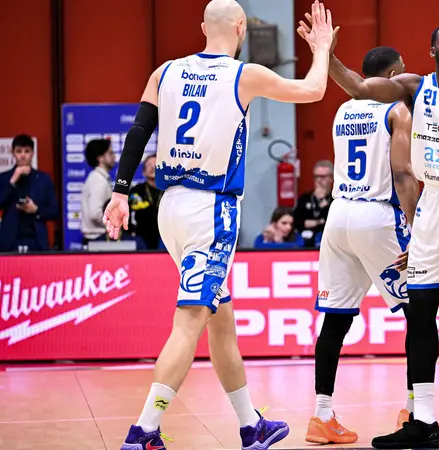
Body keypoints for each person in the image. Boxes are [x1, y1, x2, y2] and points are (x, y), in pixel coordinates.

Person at [102, 1, 336, 448]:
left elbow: (139, 132)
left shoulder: (165, 72)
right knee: (190, 321)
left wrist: (120, 192)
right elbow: (313, 90)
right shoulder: (242, 74)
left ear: (203, 27)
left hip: (170, 209)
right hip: (210, 212)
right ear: (241, 27)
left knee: (220, 319)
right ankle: (144, 430)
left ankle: (251, 425)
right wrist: (321, 47)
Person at [298, 18, 439, 448]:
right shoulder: (414, 89)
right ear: (432, 50)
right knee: (419, 312)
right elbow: (359, 87)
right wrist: (325, 52)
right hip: (430, 203)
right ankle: (422, 420)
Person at [298, 45, 439, 445]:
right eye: (402, 71)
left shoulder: (343, 110)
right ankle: (416, 412)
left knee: (335, 320)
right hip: (377, 216)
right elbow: (402, 174)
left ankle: (321, 416)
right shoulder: (397, 111)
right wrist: (419, 229)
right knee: (419, 314)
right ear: (392, 75)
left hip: (338, 217)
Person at [0, 134, 58, 253]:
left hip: (37, 241)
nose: (22, 155)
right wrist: (13, 180)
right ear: (13, 153)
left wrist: (36, 210)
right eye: (19, 151)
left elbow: (54, 211)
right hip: (10, 241)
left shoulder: (44, 179)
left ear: (32, 153)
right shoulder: (4, 178)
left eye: (27, 151)